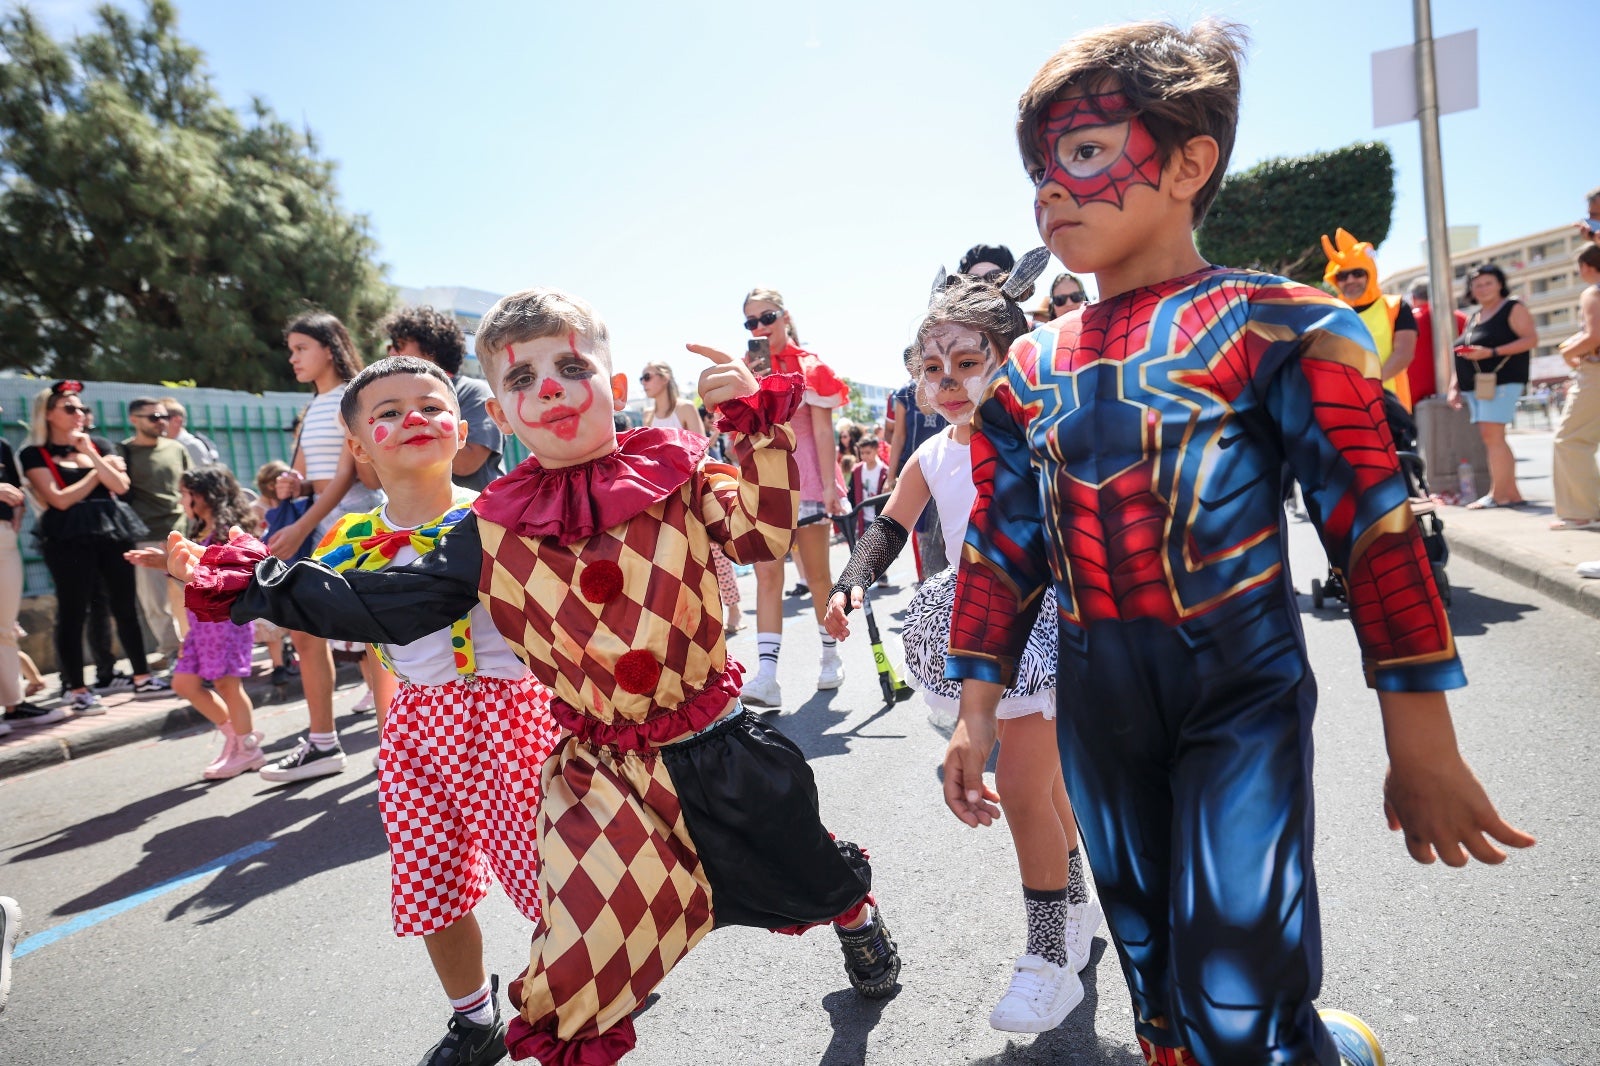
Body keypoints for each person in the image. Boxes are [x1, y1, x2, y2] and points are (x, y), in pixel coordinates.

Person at [940, 21, 1533, 1066]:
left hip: (1238, 688)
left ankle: (1300, 1046)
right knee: (1150, 971)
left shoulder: (1277, 323)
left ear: (1186, 162)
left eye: (1082, 152)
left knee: (1233, 981)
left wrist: (1421, 742)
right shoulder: (1027, 367)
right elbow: (1000, 546)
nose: (1049, 189)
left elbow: (1375, 531)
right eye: (1040, 166)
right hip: (1098, 694)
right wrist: (975, 706)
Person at [177, 288, 900, 1066]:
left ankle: (856, 918)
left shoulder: (679, 471)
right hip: (605, 778)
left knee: (809, 871)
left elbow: (763, 535)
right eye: (521, 380)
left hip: (721, 744)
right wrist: (247, 584)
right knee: (573, 971)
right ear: (503, 413)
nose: (548, 388)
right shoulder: (491, 525)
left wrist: (754, 425)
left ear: (613, 386)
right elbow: (381, 602)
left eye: (570, 365)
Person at [827, 271, 1100, 1035]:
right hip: (976, 623)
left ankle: (1050, 959)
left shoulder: (1045, 437)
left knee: (1021, 779)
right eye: (930, 368)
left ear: (1009, 360)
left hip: (1048, 620)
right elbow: (889, 527)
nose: (946, 382)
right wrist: (851, 585)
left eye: (966, 364)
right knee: (1042, 790)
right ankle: (1072, 910)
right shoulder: (931, 455)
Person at [301, 355, 561, 1066]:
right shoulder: (348, 543)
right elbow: (347, 638)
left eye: (430, 405)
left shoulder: (501, 517)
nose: (412, 418)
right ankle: (475, 1020)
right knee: (431, 881)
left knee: (550, 882)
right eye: (386, 413)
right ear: (358, 446)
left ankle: (589, 984)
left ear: (462, 425)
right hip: (416, 730)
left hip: (509, 720)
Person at [257, 311, 385, 782]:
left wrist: (302, 522)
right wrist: (296, 485)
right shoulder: (311, 407)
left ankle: (394, 744)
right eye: (291, 350)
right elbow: (316, 476)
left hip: (355, 525)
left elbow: (351, 474)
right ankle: (323, 743)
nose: (292, 358)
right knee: (304, 633)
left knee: (376, 636)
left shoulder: (352, 398)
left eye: (300, 348)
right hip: (317, 529)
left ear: (328, 348)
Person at [20, 382, 165, 715]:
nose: (79, 415)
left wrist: (92, 454)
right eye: (70, 409)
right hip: (67, 537)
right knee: (74, 611)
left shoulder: (98, 444)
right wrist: (99, 475)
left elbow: (121, 485)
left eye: (82, 409)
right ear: (49, 414)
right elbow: (58, 499)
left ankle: (142, 676)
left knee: (125, 605)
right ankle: (76, 689)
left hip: (113, 531)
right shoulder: (33, 453)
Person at [739, 287, 850, 710]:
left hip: (806, 480)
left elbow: (823, 431)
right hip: (764, 483)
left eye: (766, 317)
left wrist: (828, 489)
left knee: (818, 575)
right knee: (768, 578)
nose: (760, 327)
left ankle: (830, 655)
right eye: (751, 322)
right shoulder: (746, 369)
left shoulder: (811, 366)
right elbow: (740, 431)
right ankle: (767, 676)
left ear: (784, 315)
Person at [128, 466, 263, 779]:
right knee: (184, 683)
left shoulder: (232, 530)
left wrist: (166, 562)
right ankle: (235, 737)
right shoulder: (199, 529)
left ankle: (248, 749)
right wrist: (165, 563)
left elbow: (228, 575)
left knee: (227, 683)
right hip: (201, 621)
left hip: (226, 619)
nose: (181, 499)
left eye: (186, 492)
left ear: (204, 496)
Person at [382, 306, 506, 492]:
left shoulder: (474, 392)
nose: (391, 353)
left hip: (476, 515)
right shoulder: (392, 402)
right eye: (389, 346)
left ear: (430, 349)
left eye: (398, 345)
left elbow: (467, 464)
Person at [1447, 265, 1540, 509]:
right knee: (1493, 438)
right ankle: (1511, 493)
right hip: (1475, 385)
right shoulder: (1473, 316)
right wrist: (1454, 386)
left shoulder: (1513, 307)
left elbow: (1531, 339)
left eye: (1488, 282)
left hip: (1502, 381)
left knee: (1492, 436)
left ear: (1500, 283)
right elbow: (1462, 354)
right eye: (1477, 284)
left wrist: (1492, 352)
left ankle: (1497, 494)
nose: (1483, 288)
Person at [1, 416, 62, 730]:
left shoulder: (3, 446)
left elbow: (16, 489)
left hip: (3, 537)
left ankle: (13, 706)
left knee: (5, 624)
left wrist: (17, 513)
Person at [119, 398, 189, 661]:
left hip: (180, 531)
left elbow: (188, 486)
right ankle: (172, 652)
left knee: (195, 590)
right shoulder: (124, 452)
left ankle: (203, 647)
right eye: (154, 417)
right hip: (144, 534)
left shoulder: (176, 448)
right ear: (134, 420)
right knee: (155, 602)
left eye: (164, 416)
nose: (161, 421)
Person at [1321, 228, 1419, 410]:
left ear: (1370, 273)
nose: (1350, 280)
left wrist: (1369, 386)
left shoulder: (1396, 306)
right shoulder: (1330, 313)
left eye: (1357, 273)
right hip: (1342, 407)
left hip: (1390, 407)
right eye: (1342, 275)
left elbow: (1403, 354)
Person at [1550, 245, 1600, 530]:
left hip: (1595, 373)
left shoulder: (1593, 292)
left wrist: (1568, 353)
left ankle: (1581, 512)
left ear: (1586, 266)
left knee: (1571, 440)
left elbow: (1595, 334)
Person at [886, 357, 949, 580]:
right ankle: (931, 582)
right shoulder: (904, 393)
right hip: (919, 469)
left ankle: (950, 582)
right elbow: (899, 435)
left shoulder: (949, 385)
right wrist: (891, 474)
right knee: (923, 532)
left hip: (948, 466)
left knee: (948, 528)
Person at [1405, 279, 1466, 406]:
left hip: (1414, 398)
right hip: (1460, 393)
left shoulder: (1406, 322)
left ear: (1413, 298)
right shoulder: (1461, 318)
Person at [639, 361, 704, 433]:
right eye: (641, 379)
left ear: (665, 378)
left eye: (647, 377)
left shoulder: (686, 408)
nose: (643, 383)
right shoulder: (647, 414)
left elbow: (701, 443)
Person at [158, 397, 220, 467]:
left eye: (161, 418)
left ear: (176, 421)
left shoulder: (190, 445)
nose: (158, 422)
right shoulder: (166, 443)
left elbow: (201, 476)